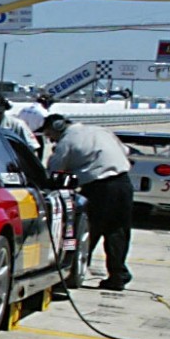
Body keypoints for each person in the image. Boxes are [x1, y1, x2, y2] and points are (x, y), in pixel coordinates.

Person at [43, 114, 135, 290]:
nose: (50, 139)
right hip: (123, 182)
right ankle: (118, 276)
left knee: (87, 230)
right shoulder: (101, 131)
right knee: (118, 231)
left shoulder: (67, 141)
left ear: (57, 127)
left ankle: (72, 273)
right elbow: (125, 151)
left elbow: (54, 170)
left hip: (98, 187)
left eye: (49, 135)